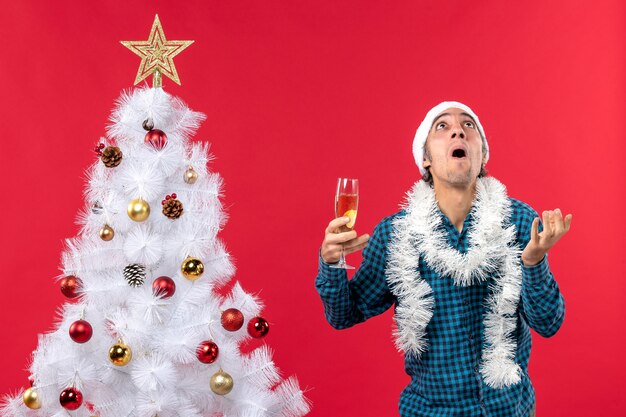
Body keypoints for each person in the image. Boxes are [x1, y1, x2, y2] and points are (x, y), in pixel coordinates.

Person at [315, 101, 571, 417]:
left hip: (509, 409)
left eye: (468, 125)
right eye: (442, 127)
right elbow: (343, 315)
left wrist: (533, 261)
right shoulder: (397, 234)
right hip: (429, 411)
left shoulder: (519, 221)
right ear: (426, 159)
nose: (457, 131)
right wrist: (332, 264)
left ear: (483, 155)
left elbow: (549, 324)